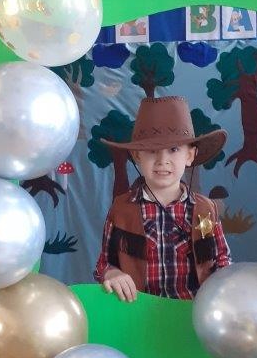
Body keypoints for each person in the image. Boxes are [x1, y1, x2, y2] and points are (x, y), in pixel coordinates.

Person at [94, 96, 231, 301]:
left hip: (192, 310)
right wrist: (111, 273)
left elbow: (222, 260)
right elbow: (104, 263)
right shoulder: (121, 210)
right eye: (152, 150)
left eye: (173, 150)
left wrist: (224, 284)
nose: (162, 161)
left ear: (190, 156)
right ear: (137, 156)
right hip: (139, 310)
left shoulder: (205, 209)